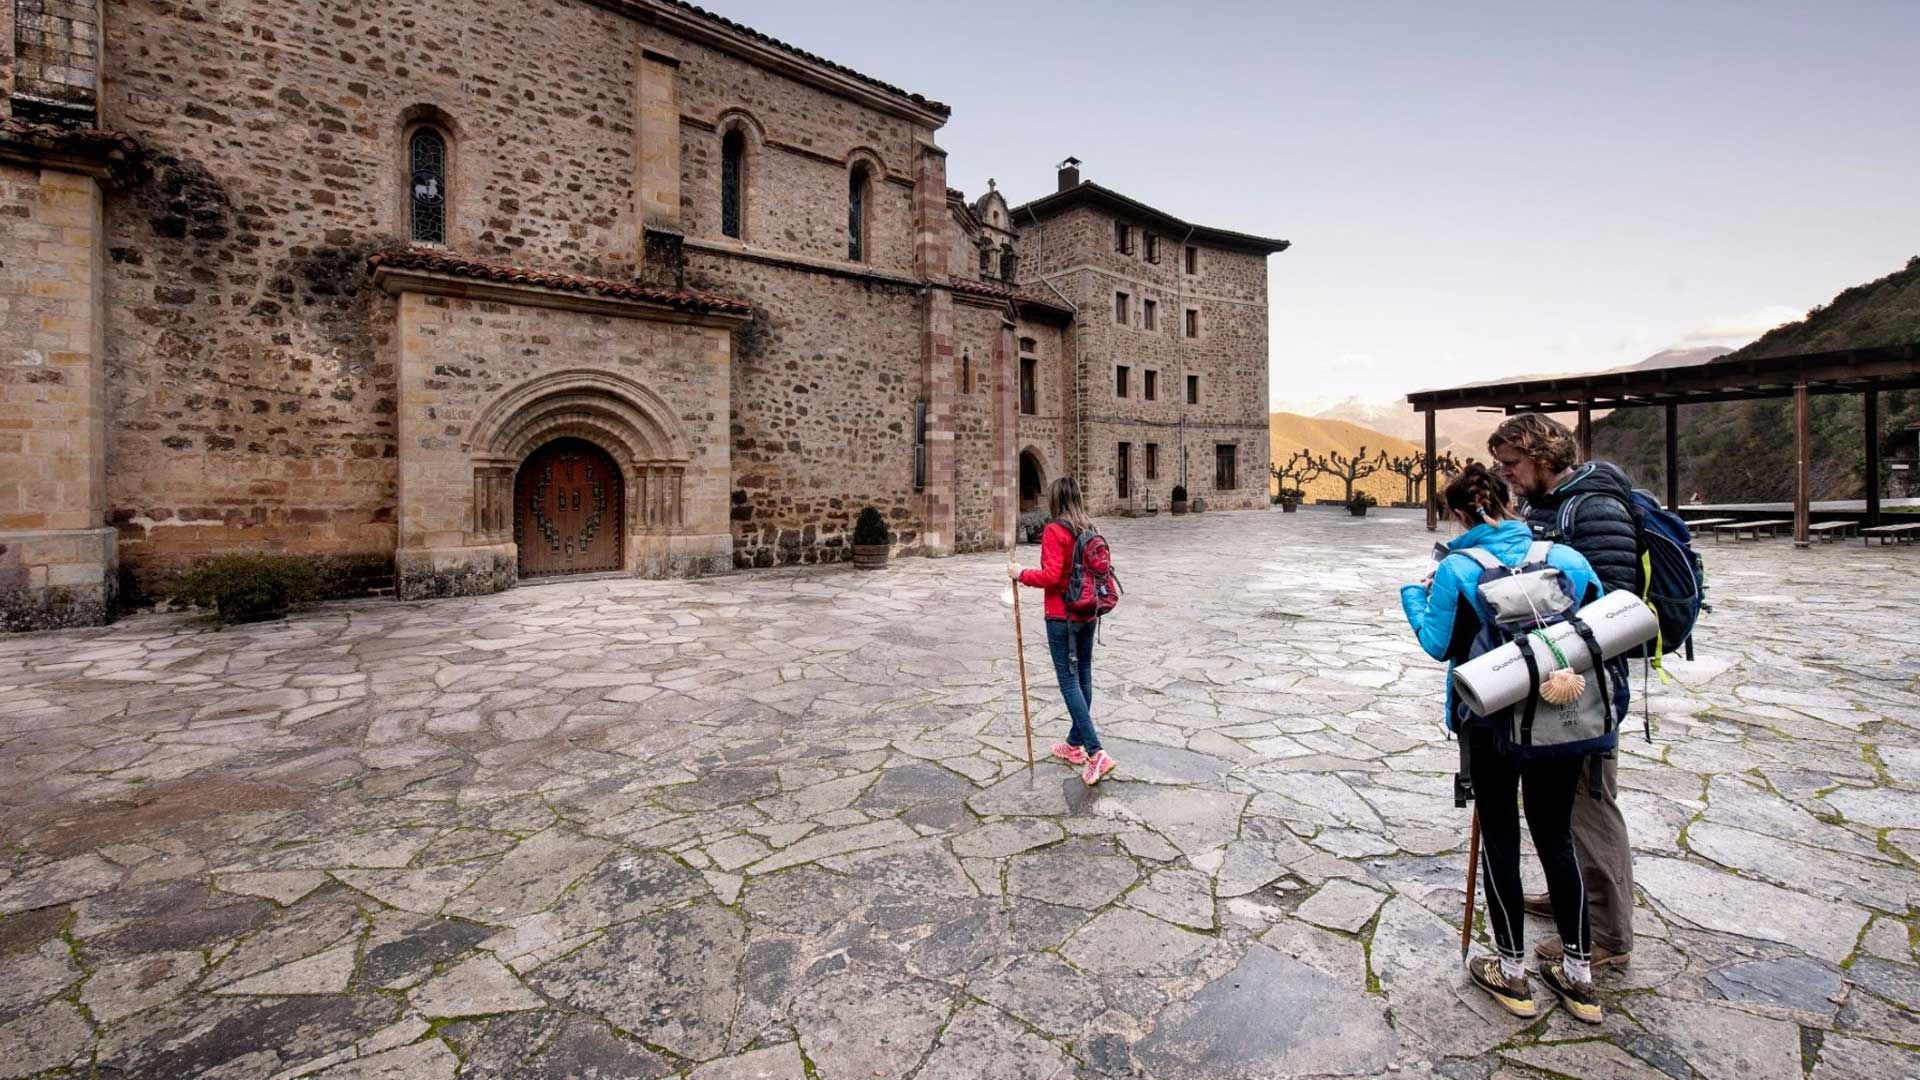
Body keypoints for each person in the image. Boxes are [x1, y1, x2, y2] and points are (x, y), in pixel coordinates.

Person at [1401, 463, 1607, 1023]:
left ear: (1461, 512)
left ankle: (1512, 972)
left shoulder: (1458, 568)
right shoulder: (1564, 558)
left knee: (1498, 835)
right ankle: (1579, 975)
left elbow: (1438, 644)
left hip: (1490, 718)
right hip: (1562, 716)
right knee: (1556, 836)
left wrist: (1412, 597)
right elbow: (1595, 624)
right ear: (1509, 503)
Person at [1487, 413, 1636, 970]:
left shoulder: (1594, 508)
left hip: (1585, 688)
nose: (1506, 476)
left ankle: (1608, 936)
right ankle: (1571, 893)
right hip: (1553, 678)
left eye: (1513, 464)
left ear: (1545, 457)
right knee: (1560, 804)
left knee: (1590, 803)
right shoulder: (1547, 506)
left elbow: (1615, 609)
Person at [1008, 477, 1116, 785]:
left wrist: (1021, 574)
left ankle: (1095, 752)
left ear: (1055, 499)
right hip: (1089, 612)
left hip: (1061, 616)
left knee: (1069, 683)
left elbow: (1053, 577)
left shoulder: (1055, 530)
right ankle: (1073, 744)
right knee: (1083, 675)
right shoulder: (1090, 527)